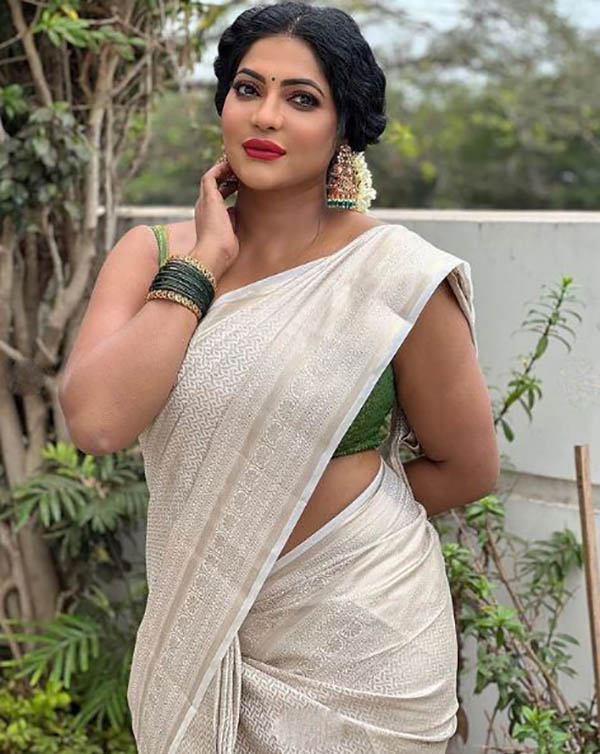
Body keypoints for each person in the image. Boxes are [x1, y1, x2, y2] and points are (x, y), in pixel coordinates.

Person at [59, 2, 500, 752]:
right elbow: (98, 422)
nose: (267, 115)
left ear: (343, 126)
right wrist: (204, 263)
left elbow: (468, 466)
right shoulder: (152, 255)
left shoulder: (394, 275)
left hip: (362, 635)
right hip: (202, 626)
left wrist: (311, 523)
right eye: (247, 88)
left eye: (302, 98)